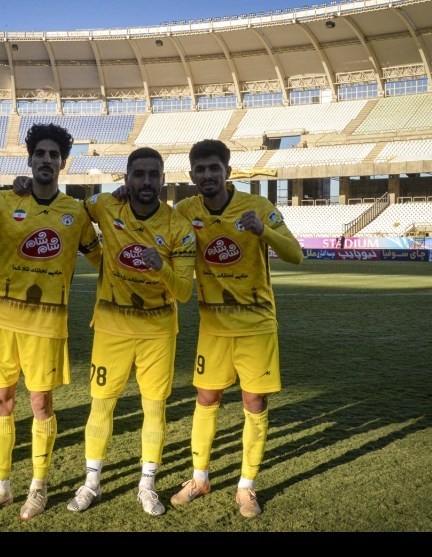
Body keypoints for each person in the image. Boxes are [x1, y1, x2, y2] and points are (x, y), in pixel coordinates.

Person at [13, 148, 196, 516]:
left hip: (159, 332)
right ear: (126, 179)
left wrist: (161, 267)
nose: (146, 181)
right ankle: (91, 482)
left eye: (153, 175)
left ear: (164, 180)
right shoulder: (105, 205)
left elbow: (185, 292)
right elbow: (69, 208)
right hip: (111, 328)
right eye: (139, 174)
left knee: (154, 407)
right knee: (101, 405)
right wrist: (26, 187)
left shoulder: (180, 227)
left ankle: (147, 485)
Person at [0, 123, 102, 521]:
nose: (47, 160)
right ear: (30, 160)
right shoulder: (2, 201)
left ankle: (38, 487)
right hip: (1, 320)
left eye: (54, 155)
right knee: (1, 402)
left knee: (41, 404)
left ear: (63, 164)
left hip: (47, 325)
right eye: (40, 153)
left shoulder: (76, 213)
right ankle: (1, 488)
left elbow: (101, 259)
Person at [170, 139, 304, 518]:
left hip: (256, 324)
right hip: (213, 326)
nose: (208, 175)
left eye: (214, 168)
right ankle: (199, 478)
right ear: (192, 175)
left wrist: (263, 231)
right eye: (200, 169)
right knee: (206, 398)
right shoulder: (185, 211)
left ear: (227, 172)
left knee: (254, 402)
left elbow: (296, 254)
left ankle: (246, 485)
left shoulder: (258, 207)